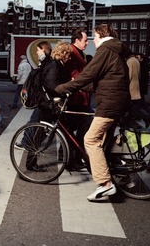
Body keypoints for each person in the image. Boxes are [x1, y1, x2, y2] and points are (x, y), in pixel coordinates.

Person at [55, 23, 130, 202]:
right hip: (117, 100)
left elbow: (88, 75)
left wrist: (63, 88)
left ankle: (105, 184)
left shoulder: (106, 50)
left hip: (110, 103)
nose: (93, 41)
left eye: (95, 36)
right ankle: (123, 177)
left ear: (102, 35)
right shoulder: (116, 50)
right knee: (104, 143)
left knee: (90, 139)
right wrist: (78, 88)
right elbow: (100, 81)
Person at [26, 41, 73, 171]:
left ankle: (67, 159)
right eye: (68, 55)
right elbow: (52, 85)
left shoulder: (58, 65)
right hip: (48, 105)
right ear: (63, 54)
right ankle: (31, 162)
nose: (69, 58)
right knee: (40, 133)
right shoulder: (54, 65)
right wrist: (68, 87)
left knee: (61, 130)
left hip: (52, 104)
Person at [64, 29, 92, 171]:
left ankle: (69, 157)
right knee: (80, 128)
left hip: (81, 97)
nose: (87, 43)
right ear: (76, 40)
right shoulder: (73, 53)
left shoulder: (79, 52)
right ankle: (72, 159)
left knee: (74, 129)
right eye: (85, 40)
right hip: (77, 98)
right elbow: (75, 74)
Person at [135, 52, 150, 127]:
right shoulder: (144, 66)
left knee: (140, 104)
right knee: (141, 104)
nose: (136, 59)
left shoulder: (141, 66)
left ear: (142, 59)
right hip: (141, 88)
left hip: (139, 88)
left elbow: (140, 78)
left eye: (138, 58)